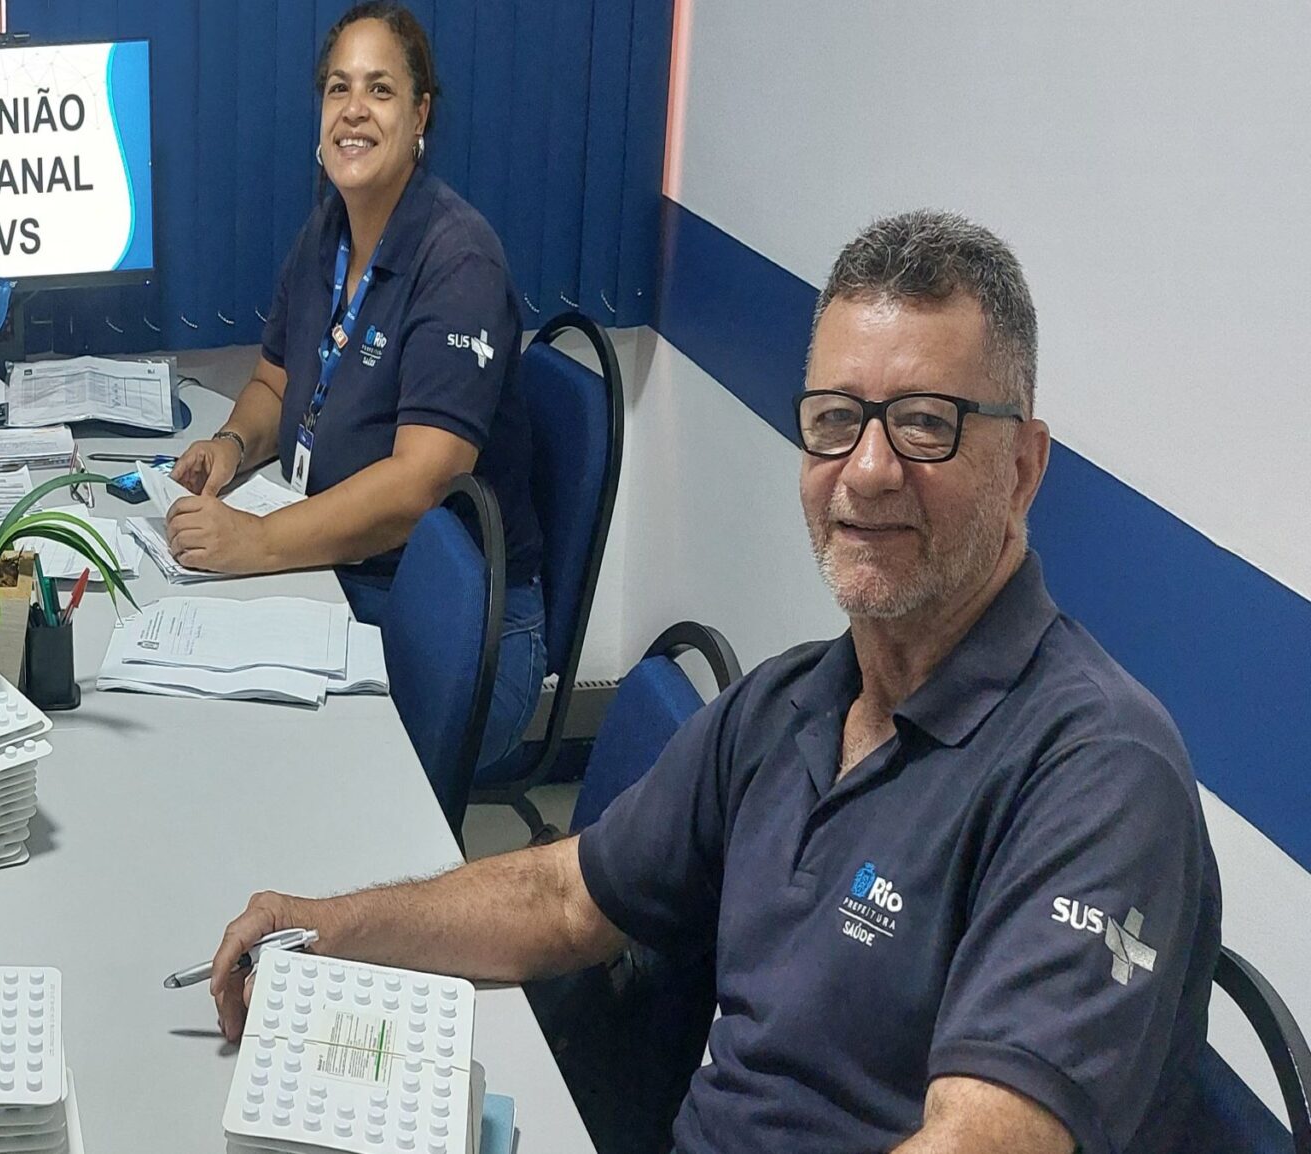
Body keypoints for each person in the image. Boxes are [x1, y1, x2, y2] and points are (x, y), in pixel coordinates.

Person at [205, 212, 1220, 1153]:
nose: (865, 469)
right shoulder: (793, 704)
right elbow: (563, 895)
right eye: (834, 418)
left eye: (923, 422)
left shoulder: (1098, 775)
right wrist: (326, 928)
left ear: (1023, 467)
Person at [169, 1, 546, 771]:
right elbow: (276, 379)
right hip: (348, 571)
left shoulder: (459, 263)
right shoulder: (328, 230)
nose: (353, 111)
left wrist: (260, 543)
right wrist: (232, 443)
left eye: (380, 90)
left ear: (420, 116)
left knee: (259, 750)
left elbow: (421, 485)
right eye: (339, 88)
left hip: (458, 626)